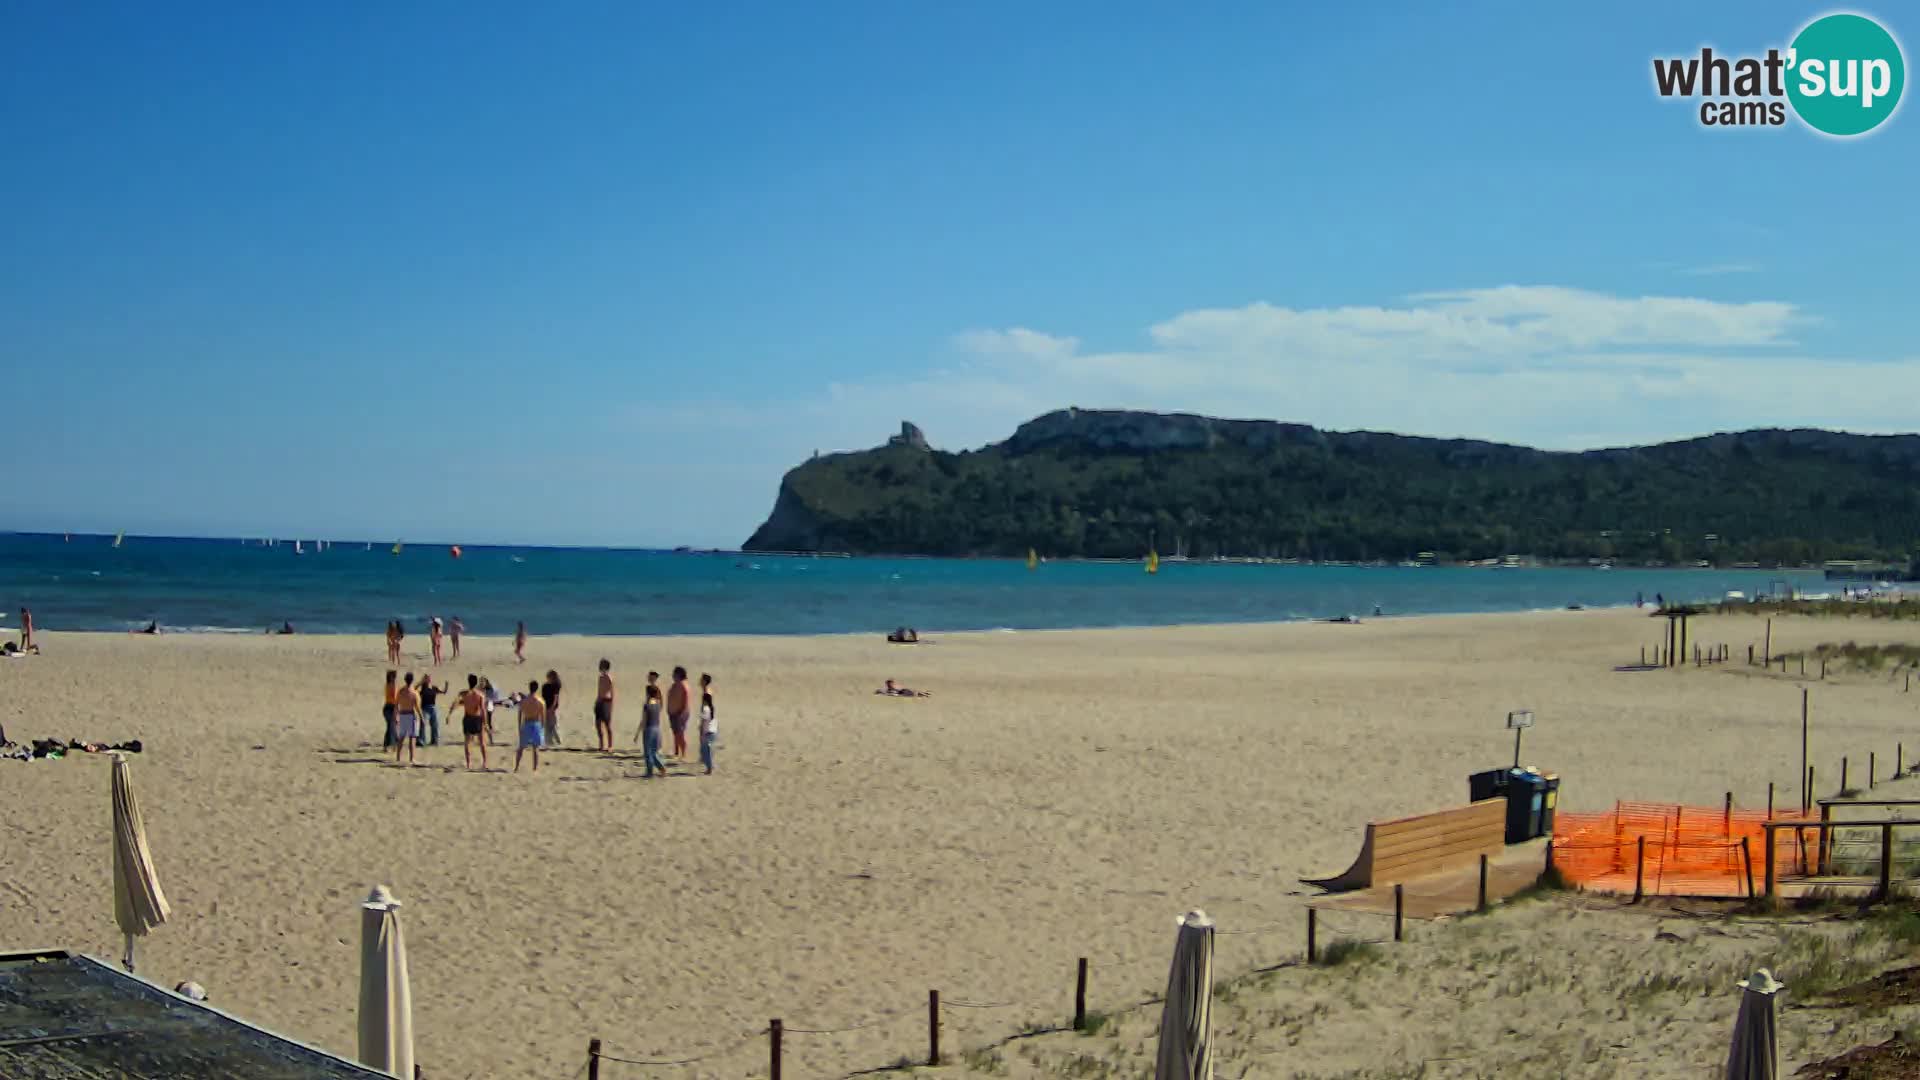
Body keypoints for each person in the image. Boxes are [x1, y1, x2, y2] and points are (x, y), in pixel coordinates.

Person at [455, 674, 488, 771]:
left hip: (468, 718)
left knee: (467, 742)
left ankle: (468, 763)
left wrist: (450, 713)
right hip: (477, 718)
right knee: (482, 742)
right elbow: (483, 710)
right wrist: (485, 723)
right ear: (476, 682)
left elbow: (456, 702)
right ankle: (484, 763)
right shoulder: (480, 695)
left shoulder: (464, 694)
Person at [514, 679, 546, 773]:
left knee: (521, 747)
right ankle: (535, 768)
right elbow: (543, 717)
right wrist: (542, 728)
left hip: (526, 723)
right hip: (536, 723)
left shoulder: (523, 701)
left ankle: (516, 767)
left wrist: (519, 726)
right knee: (535, 748)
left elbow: (520, 715)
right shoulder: (540, 701)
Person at [638, 677, 665, 777]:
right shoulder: (658, 704)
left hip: (649, 729)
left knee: (648, 753)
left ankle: (651, 771)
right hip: (657, 729)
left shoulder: (646, 705)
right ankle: (660, 767)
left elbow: (644, 720)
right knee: (654, 752)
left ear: (648, 694)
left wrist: (640, 732)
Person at [393, 673, 421, 765]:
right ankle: (412, 758)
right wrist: (421, 717)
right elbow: (417, 707)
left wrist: (396, 716)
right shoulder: (414, 692)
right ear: (412, 680)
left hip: (402, 715)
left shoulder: (401, 691)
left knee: (401, 738)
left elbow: (396, 705)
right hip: (411, 715)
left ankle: (398, 757)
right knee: (412, 738)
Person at [667, 666, 691, 758]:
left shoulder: (683, 685)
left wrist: (680, 712)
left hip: (680, 713)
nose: (672, 675)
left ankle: (684, 753)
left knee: (680, 733)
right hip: (673, 713)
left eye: (674, 674)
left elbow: (685, 699)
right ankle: (676, 751)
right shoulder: (675, 684)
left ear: (678, 674)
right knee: (676, 733)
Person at [594, 658, 615, 753]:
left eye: (601, 665)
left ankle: (610, 745)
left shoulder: (609, 678)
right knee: (598, 724)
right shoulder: (600, 677)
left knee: (607, 724)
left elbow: (612, 691)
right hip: (600, 701)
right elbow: (599, 691)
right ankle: (601, 744)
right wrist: (597, 701)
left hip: (607, 701)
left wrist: (611, 705)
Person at [698, 673, 717, 775]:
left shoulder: (707, 693)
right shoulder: (706, 691)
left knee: (706, 745)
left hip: (707, 721)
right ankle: (707, 762)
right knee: (706, 745)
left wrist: (702, 725)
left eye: (701, 680)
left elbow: (707, 708)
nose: (699, 681)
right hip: (708, 720)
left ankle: (709, 766)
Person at [418, 674, 443, 747]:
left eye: (430, 678)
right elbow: (414, 690)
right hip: (425, 708)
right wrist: (421, 682)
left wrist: (446, 686)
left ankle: (434, 741)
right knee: (423, 724)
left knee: (435, 725)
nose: (429, 679)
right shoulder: (423, 688)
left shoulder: (434, 687)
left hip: (433, 708)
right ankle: (421, 740)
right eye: (427, 678)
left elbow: (443, 692)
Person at [540, 669, 563, 746]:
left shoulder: (556, 686)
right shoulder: (545, 686)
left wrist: (552, 708)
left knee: (553, 725)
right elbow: (543, 698)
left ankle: (558, 741)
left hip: (552, 708)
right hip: (546, 707)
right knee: (547, 725)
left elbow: (555, 698)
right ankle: (549, 742)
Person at [480, 676, 501, 745]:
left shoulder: (491, 689)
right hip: (482, 706)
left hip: (489, 706)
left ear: (486, 682)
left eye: (482, 682)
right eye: (480, 682)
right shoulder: (479, 688)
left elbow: (492, 700)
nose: (481, 683)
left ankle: (491, 740)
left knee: (488, 723)